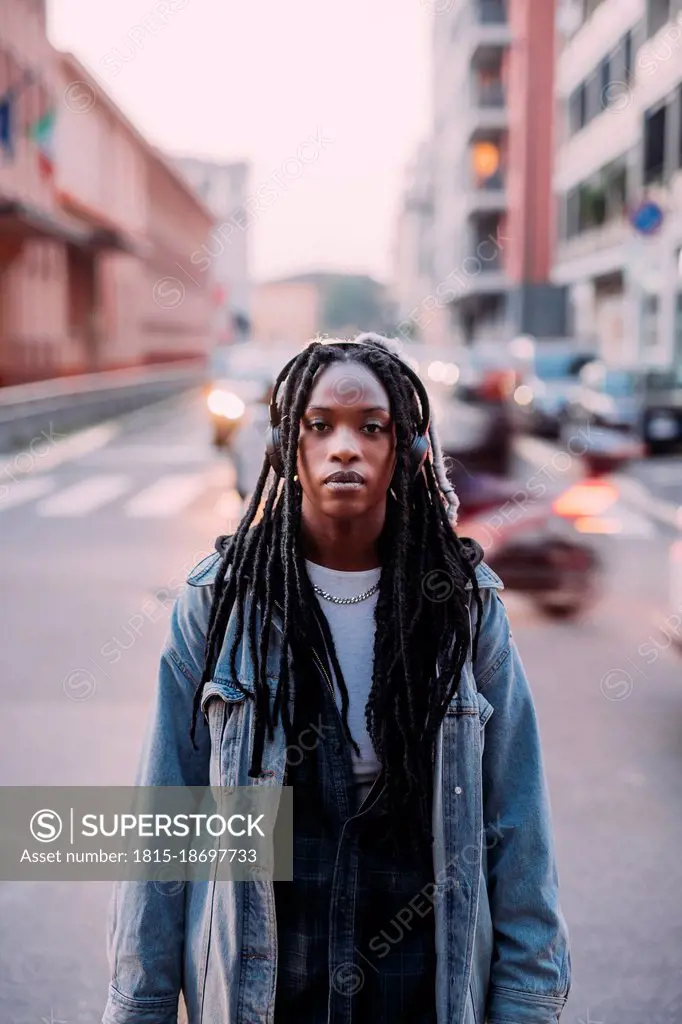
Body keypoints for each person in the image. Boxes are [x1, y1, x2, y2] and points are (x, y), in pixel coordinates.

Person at [102, 333, 571, 1024]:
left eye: (371, 428)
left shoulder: (462, 608)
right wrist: (139, 1006)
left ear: (407, 452)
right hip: (268, 982)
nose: (344, 447)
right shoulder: (217, 605)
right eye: (320, 426)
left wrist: (527, 1005)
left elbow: (517, 825)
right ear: (285, 449)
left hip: (419, 982)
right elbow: (163, 825)